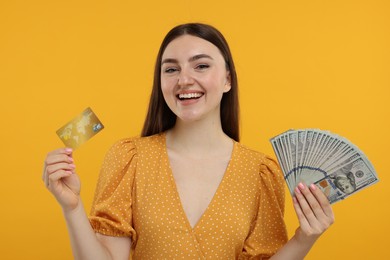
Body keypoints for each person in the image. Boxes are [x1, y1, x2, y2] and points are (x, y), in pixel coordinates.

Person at [43, 23, 334, 259]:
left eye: (201, 66)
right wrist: (72, 208)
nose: (184, 79)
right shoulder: (128, 158)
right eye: (171, 69)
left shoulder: (260, 172)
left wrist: (304, 239)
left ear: (228, 80)